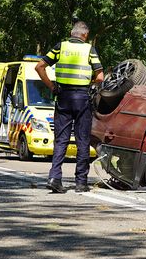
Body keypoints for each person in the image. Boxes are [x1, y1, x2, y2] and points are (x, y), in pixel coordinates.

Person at [36, 21, 104, 193]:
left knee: (61, 140)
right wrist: (89, 84)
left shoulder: (61, 46)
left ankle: (54, 178)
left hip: (63, 97)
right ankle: (81, 183)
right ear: (85, 35)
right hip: (81, 98)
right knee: (82, 141)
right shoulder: (89, 49)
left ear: (72, 33)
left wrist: (51, 86)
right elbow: (101, 77)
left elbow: (39, 66)